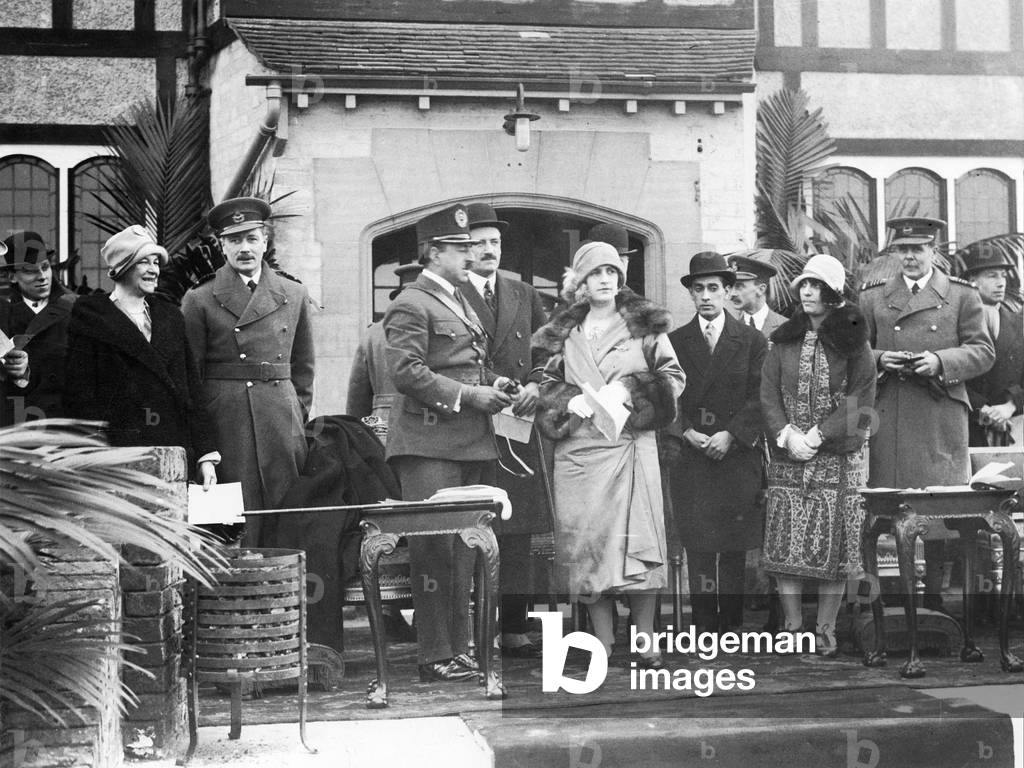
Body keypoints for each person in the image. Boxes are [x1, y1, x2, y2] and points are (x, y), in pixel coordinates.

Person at [533, 242, 685, 666]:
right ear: (579, 281)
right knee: (588, 544)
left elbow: (673, 377)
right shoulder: (561, 331)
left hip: (630, 446)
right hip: (579, 452)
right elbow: (543, 382)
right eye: (595, 273)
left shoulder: (644, 325)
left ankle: (645, 639)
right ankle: (602, 639)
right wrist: (566, 400)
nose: (605, 280)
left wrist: (631, 388)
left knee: (636, 542)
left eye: (612, 273)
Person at [383, 203, 514, 684]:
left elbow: (467, 364)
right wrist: (468, 395)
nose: (472, 253)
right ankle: (435, 654)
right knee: (435, 550)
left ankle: (458, 650)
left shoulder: (456, 299)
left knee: (463, 550)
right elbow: (406, 372)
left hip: (470, 442)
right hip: (428, 444)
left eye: (472, 246)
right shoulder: (410, 302)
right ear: (433, 253)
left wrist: (497, 386)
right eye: (460, 247)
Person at [860, 217, 994, 610]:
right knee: (889, 511)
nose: (910, 257)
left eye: (918, 249)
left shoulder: (962, 296)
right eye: (903, 250)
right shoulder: (872, 297)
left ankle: (934, 601)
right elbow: (851, 352)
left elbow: (983, 351)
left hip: (939, 417)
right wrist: (883, 357)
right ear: (894, 253)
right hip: (891, 416)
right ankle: (891, 601)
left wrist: (939, 360)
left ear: (933, 251)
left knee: (939, 513)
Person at [182, 197, 316, 545]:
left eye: (252, 239)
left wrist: (294, 414)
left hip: (280, 419)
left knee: (285, 512)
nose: (245, 248)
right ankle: (234, 596)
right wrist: (203, 441)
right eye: (235, 240)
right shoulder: (200, 299)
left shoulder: (293, 292)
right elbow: (189, 377)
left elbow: (304, 368)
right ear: (222, 245)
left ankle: (285, 593)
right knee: (233, 518)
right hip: (227, 421)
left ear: (266, 242)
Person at [761, 254, 876, 655]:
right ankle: (792, 628)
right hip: (788, 456)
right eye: (803, 286)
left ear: (832, 292)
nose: (807, 292)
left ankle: (825, 630)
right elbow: (768, 393)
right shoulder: (783, 339)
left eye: (816, 286)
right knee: (785, 547)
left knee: (836, 548)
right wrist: (786, 434)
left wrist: (818, 435)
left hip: (838, 458)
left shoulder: (854, 339)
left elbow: (861, 396)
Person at [64, 225, 217, 487]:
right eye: (143, 262)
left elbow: (191, 389)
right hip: (117, 459)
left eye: (156, 262)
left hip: (173, 454)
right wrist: (93, 455)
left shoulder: (170, 317)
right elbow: (80, 398)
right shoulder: (90, 320)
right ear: (121, 268)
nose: (154, 269)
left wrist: (205, 454)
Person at [662, 252, 767, 635]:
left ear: (727, 292)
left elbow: (761, 397)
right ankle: (705, 627)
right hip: (693, 456)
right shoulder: (673, 341)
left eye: (713, 288)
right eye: (698, 289)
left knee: (734, 548)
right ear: (690, 294)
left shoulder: (753, 340)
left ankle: (732, 628)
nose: (706, 296)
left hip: (736, 456)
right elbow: (665, 395)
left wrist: (732, 434)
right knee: (700, 545)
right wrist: (685, 430)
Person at [462, 202, 549, 659]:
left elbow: (545, 351)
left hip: (518, 426)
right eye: (478, 243)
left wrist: (536, 383)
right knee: (475, 525)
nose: (488, 250)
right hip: (472, 424)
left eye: (494, 243)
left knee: (517, 529)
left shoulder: (523, 293)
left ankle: (515, 628)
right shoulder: (452, 294)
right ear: (463, 248)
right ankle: (475, 630)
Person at [0, 231, 75, 426]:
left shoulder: (76, 310)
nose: (42, 276)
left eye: (45, 267)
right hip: (16, 428)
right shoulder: (3, 316)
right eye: (30, 270)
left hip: (66, 424)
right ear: (12, 277)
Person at [957, 248, 1023, 446]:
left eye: (1003, 276)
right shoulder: (954, 323)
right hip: (966, 428)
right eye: (992, 276)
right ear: (972, 280)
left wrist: (1010, 406)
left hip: (1012, 430)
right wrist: (982, 409)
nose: (1001, 282)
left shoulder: (1019, 324)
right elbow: (946, 376)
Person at [727, 255, 786, 337]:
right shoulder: (727, 329)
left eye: (739, 286)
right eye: (731, 287)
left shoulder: (785, 327)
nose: (732, 294)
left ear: (761, 289)